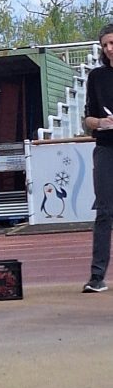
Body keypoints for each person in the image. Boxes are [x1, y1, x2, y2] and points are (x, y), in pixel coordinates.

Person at [82, 23, 113, 293]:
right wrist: (101, 123)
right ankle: (96, 276)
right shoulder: (96, 77)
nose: (109, 49)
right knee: (104, 211)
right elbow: (87, 120)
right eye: (105, 45)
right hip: (105, 148)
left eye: (112, 43)